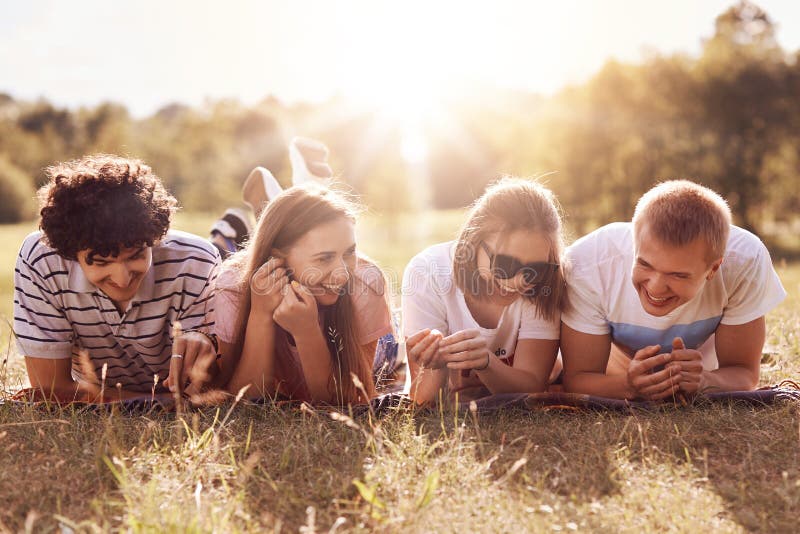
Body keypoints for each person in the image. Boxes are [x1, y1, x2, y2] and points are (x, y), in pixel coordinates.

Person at [13, 154, 225, 402]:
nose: (122, 279)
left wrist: (204, 345)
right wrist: (158, 402)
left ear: (154, 239)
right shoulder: (41, 260)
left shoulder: (196, 261)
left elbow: (206, 387)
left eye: (135, 256)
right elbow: (51, 388)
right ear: (71, 253)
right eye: (102, 262)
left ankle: (226, 239)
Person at [561, 180, 787, 400]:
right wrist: (626, 386)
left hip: (700, 370)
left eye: (678, 275)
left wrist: (704, 381)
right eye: (645, 264)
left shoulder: (744, 261)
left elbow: (744, 373)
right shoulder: (588, 264)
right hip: (612, 372)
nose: (655, 287)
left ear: (714, 268)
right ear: (634, 244)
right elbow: (578, 379)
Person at [217, 184, 393, 405]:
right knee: (227, 257)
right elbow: (244, 400)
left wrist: (307, 331)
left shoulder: (365, 283)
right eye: (324, 258)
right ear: (277, 260)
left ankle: (274, 205)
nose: (342, 276)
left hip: (384, 349)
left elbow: (352, 402)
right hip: (258, 267)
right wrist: (260, 315)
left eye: (350, 252)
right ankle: (230, 238)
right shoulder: (232, 287)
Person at [401, 178, 567, 404]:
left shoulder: (543, 285)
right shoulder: (427, 273)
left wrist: (486, 363)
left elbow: (532, 387)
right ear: (474, 241)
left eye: (536, 269)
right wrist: (436, 368)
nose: (519, 281)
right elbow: (423, 399)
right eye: (505, 264)